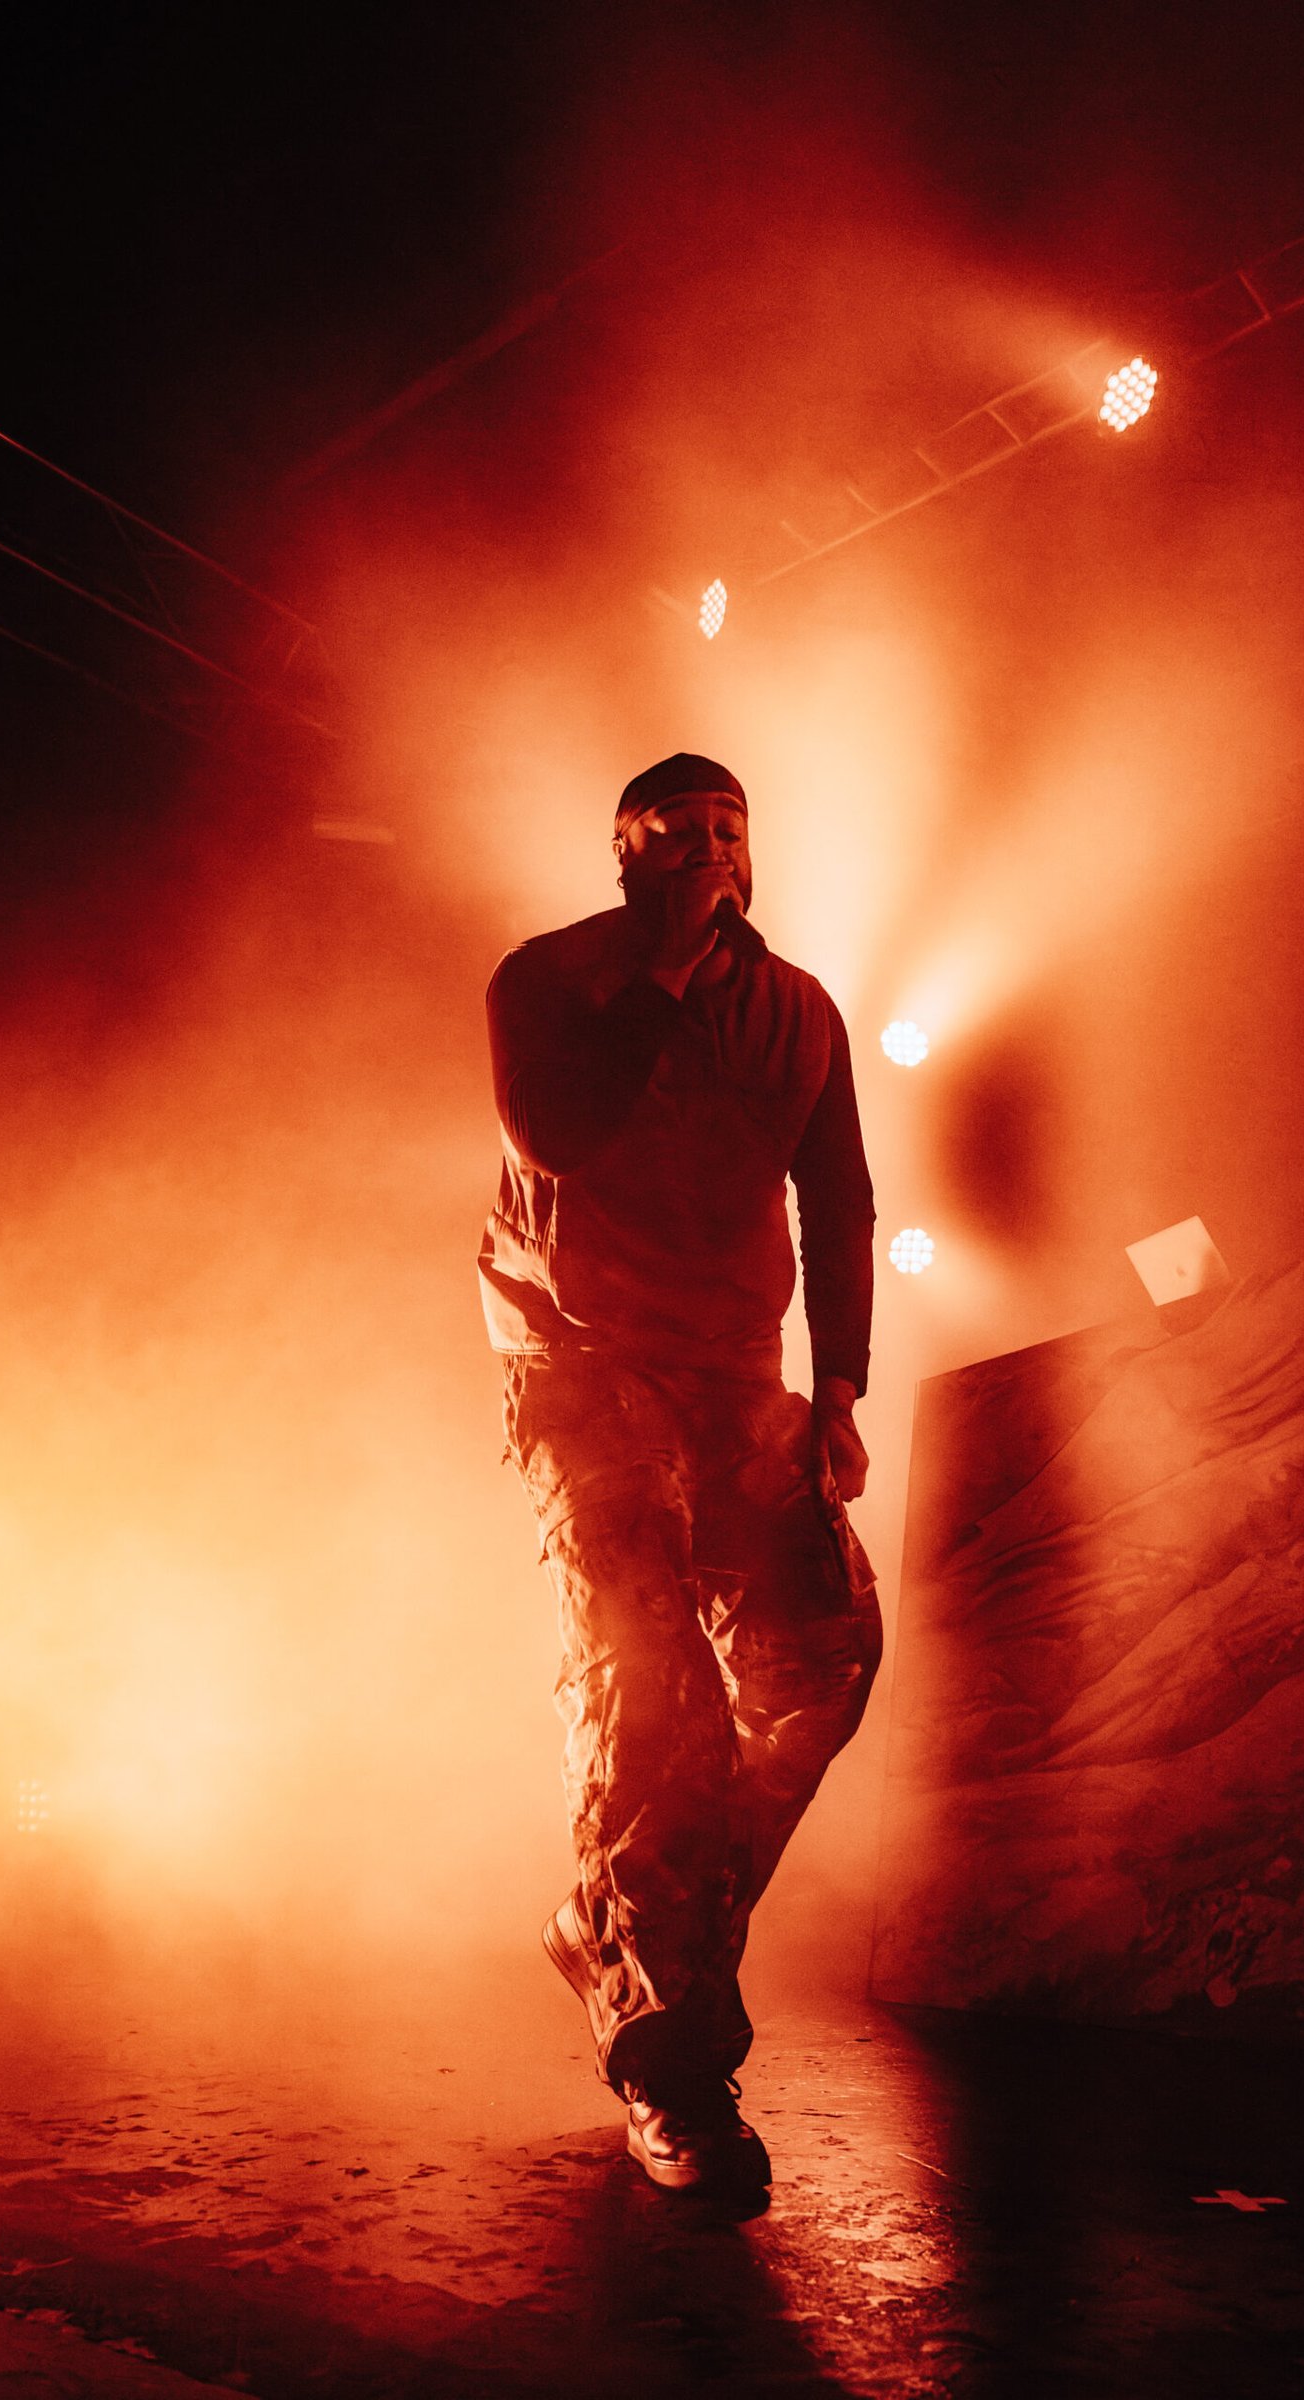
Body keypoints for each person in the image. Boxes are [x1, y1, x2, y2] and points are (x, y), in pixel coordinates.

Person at [479, 751, 882, 2194]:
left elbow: (838, 1194)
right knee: (654, 1690)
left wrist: (839, 1387)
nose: (714, 847)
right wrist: (656, 974)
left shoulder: (801, 1011)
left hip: (732, 1367)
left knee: (826, 1663)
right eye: (680, 831)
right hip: (579, 1358)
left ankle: (615, 1921)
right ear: (626, 851)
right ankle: (673, 2069)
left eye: (731, 828)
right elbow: (557, 1135)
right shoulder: (545, 981)